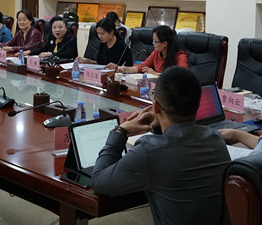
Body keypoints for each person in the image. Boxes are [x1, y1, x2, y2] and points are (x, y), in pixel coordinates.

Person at [92, 66, 230, 225]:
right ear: (197, 105)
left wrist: (120, 131)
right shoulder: (216, 140)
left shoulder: (149, 152)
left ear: (156, 106)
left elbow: (99, 181)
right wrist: (159, 123)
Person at [119, 25, 187, 75]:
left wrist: (155, 73)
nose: (152, 43)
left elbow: (180, 75)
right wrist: (126, 69)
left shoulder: (180, 56)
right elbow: (142, 67)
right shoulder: (156, 53)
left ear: (164, 43)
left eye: (155, 41)